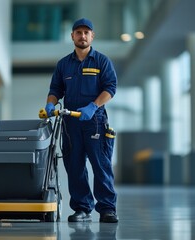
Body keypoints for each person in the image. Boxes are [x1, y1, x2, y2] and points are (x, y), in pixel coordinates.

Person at [42, 18, 118, 223]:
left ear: (92, 36)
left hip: (95, 122)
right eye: (78, 32)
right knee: (74, 166)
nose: (82, 36)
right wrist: (50, 104)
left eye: (86, 32)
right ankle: (82, 208)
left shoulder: (102, 61)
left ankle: (107, 209)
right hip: (70, 123)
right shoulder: (64, 64)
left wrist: (94, 106)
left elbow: (110, 88)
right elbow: (55, 90)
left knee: (100, 165)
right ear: (72, 36)